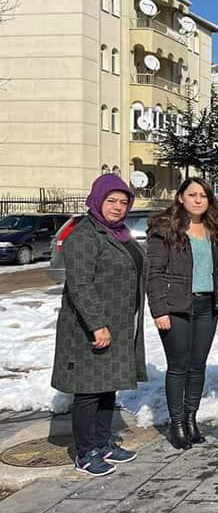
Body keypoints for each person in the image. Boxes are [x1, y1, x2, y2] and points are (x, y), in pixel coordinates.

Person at [52, 174, 146, 477]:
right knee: (88, 391)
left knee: (107, 387)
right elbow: (80, 284)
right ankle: (85, 452)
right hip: (89, 328)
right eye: (111, 200)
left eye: (123, 202)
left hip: (117, 322)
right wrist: (97, 325)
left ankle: (102, 443)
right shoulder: (84, 235)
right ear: (97, 200)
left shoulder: (119, 234)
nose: (117, 207)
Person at [147, 177, 218, 450]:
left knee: (197, 366)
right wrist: (159, 310)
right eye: (192, 194)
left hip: (207, 307)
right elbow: (154, 273)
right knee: (178, 367)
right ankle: (177, 424)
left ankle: (191, 419)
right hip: (176, 308)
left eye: (203, 195)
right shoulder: (165, 229)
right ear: (180, 197)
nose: (198, 200)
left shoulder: (216, 230)